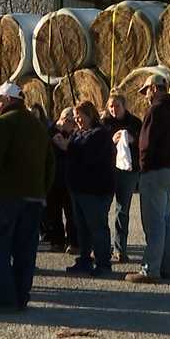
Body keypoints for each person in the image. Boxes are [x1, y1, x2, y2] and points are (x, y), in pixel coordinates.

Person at [0, 82, 56, 312]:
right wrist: (41, 190)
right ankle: (21, 296)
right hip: (33, 199)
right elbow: (51, 163)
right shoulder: (39, 126)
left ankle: (5, 299)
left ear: (9, 100)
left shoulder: (1, 125)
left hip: (3, 198)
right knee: (25, 250)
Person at [126, 74, 170, 284]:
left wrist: (142, 167)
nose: (145, 96)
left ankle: (151, 269)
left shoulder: (155, 110)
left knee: (154, 223)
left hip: (154, 171)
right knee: (167, 221)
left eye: (146, 91)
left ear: (154, 89)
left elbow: (146, 144)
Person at [55, 101, 116, 277]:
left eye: (80, 117)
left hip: (95, 191)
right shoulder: (79, 133)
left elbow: (87, 155)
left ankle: (103, 263)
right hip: (79, 189)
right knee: (81, 227)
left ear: (90, 115)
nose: (78, 121)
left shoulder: (100, 134)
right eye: (76, 118)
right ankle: (85, 259)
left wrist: (68, 146)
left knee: (98, 227)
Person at [102, 92, 142, 263]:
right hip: (108, 170)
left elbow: (143, 143)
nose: (113, 109)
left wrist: (132, 140)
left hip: (128, 172)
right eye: (111, 106)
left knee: (122, 211)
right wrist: (111, 139)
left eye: (117, 105)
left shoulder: (135, 122)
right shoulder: (105, 123)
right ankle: (101, 248)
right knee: (102, 209)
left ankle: (120, 249)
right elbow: (98, 144)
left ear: (124, 106)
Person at [42, 108, 78, 254]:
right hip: (54, 178)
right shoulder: (51, 132)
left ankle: (74, 242)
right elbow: (63, 147)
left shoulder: (74, 134)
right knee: (54, 213)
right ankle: (57, 241)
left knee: (71, 214)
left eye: (73, 121)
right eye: (69, 121)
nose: (71, 124)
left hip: (69, 178)